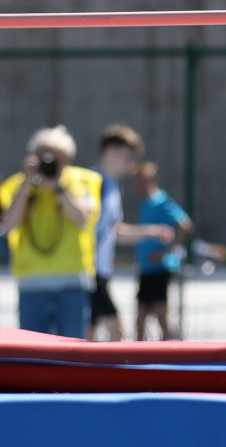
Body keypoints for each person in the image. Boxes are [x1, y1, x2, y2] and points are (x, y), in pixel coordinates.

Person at [0, 126, 101, 338]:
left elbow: (82, 219)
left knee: (71, 350)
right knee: (34, 351)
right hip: (32, 283)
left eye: (56, 158)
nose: (49, 162)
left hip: (72, 281)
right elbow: (8, 226)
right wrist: (27, 182)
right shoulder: (17, 185)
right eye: (43, 156)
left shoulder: (83, 181)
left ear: (67, 160)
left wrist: (59, 188)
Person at [88, 124, 175, 341]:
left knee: (89, 336)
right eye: (127, 156)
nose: (131, 164)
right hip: (88, 273)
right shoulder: (91, 183)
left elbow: (114, 231)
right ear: (110, 150)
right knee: (115, 333)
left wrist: (151, 232)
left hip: (101, 273)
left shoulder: (113, 187)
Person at [132, 161, 193, 341]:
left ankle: (168, 351)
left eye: (141, 181)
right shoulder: (144, 203)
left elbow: (185, 225)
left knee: (160, 315)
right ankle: (140, 354)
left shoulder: (161, 201)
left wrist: (168, 252)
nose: (138, 186)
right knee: (141, 318)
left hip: (158, 270)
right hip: (146, 269)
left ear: (152, 180)